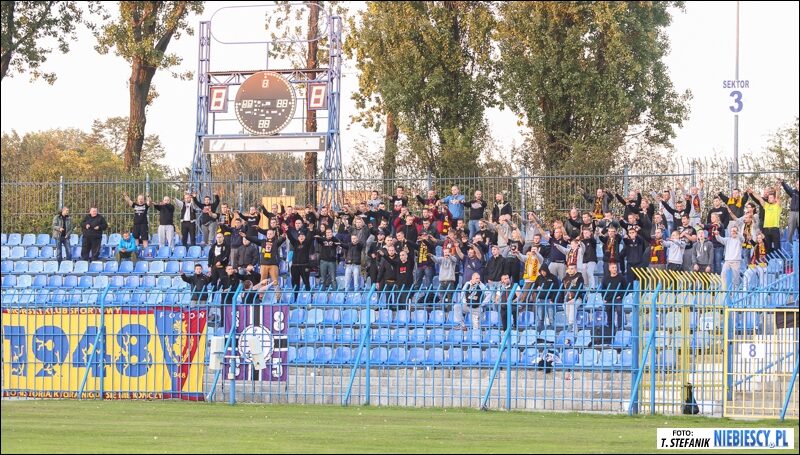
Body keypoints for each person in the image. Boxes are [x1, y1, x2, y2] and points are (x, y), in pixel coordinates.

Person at [601, 262, 628, 343]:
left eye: (615, 267)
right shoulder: (605, 278)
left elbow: (626, 288)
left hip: (617, 298)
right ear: (609, 269)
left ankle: (620, 327)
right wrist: (604, 298)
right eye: (613, 267)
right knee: (609, 314)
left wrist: (622, 296)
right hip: (609, 299)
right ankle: (611, 328)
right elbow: (603, 290)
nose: (614, 269)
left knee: (619, 310)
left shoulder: (621, 278)